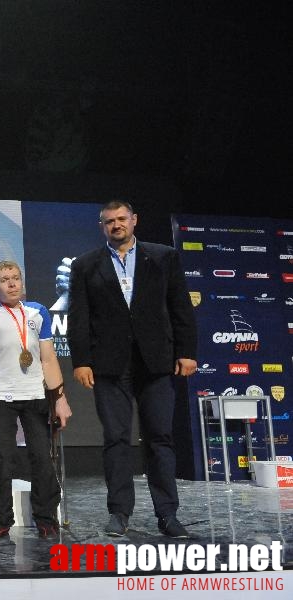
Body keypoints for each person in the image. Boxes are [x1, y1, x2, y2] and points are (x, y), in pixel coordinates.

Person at [67, 200, 197, 538]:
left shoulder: (164, 256)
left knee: (160, 438)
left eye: (122, 219)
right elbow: (79, 318)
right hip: (110, 365)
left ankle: (168, 514)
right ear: (102, 226)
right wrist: (81, 360)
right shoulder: (85, 265)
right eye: (109, 221)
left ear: (134, 220)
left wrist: (187, 352)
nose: (116, 225)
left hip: (156, 362)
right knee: (116, 439)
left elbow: (180, 306)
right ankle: (119, 513)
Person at [0, 260, 72, 539]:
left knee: (42, 458)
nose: (12, 283)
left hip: (36, 395)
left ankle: (45, 517)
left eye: (15, 278)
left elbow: (48, 359)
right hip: (1, 398)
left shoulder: (37, 312)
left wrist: (60, 399)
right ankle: (3, 518)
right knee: (6, 459)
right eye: (4, 280)